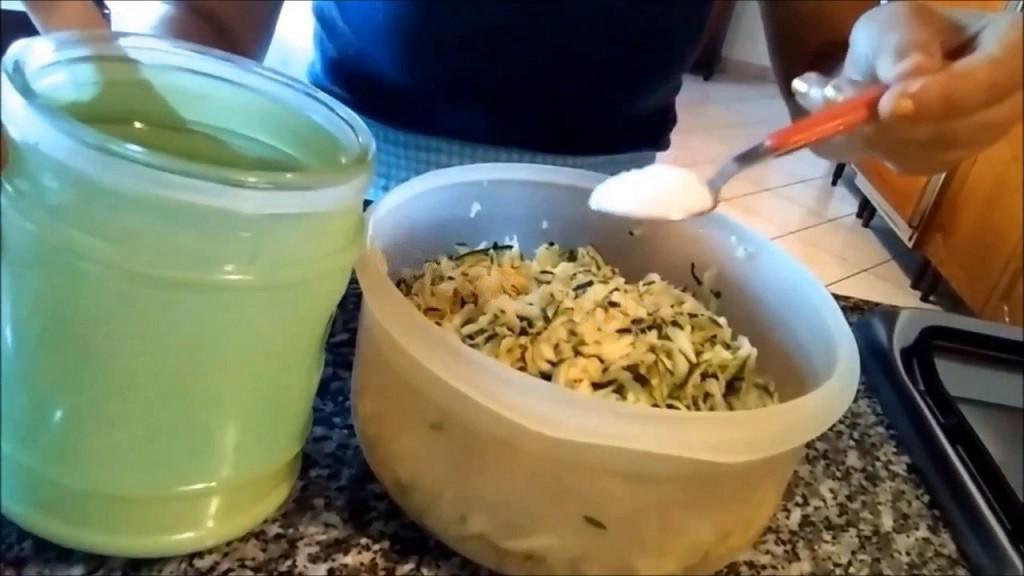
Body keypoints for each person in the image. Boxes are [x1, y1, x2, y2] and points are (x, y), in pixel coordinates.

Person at [4, 0, 1022, 199]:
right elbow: (211, 24)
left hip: (602, 229)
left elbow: (827, 57)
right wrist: (114, 104)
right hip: (344, 212)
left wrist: (873, 93)